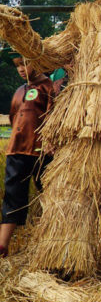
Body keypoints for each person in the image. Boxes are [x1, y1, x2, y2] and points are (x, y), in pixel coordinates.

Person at [0, 48, 55, 257]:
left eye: (25, 63)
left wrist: (50, 141)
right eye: (17, 66)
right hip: (16, 151)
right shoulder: (19, 91)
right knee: (12, 196)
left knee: (50, 195)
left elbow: (53, 116)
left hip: (41, 152)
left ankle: (52, 242)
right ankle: (3, 245)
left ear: (37, 62)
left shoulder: (48, 87)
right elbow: (14, 118)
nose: (21, 69)